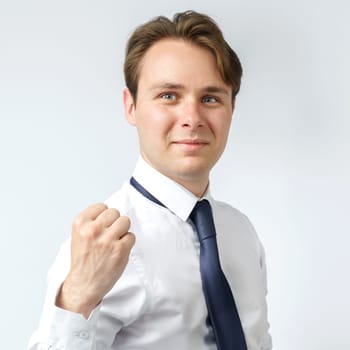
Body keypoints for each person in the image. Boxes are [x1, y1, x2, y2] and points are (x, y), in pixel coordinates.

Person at [28, 10, 272, 350]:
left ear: (231, 108)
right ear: (131, 106)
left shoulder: (240, 232)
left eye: (210, 98)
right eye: (169, 96)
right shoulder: (100, 242)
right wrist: (78, 295)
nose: (192, 118)